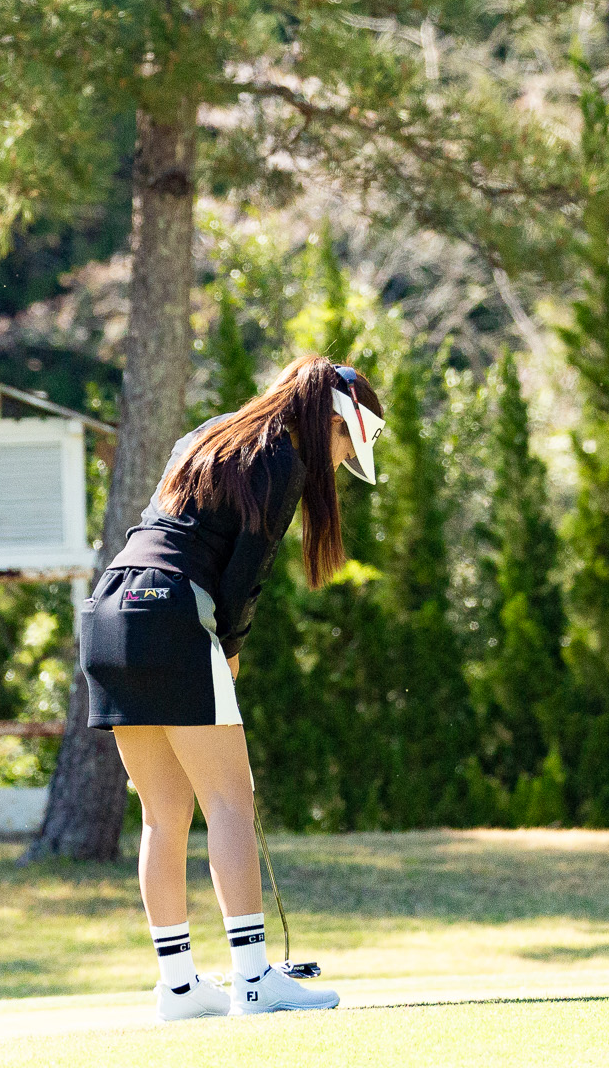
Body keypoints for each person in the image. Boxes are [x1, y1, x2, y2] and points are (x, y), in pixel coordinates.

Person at [79, 356, 384, 1021]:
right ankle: (251, 979)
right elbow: (245, 572)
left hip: (110, 612)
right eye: (344, 444)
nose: (337, 463)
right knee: (230, 802)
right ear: (332, 421)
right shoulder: (281, 459)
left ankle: (181, 989)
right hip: (173, 615)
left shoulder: (217, 432)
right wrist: (230, 647)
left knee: (164, 814)